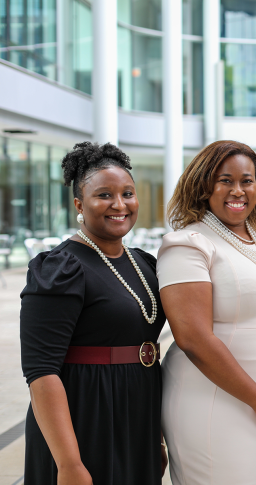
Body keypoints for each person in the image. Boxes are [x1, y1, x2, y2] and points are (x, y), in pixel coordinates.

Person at [157, 141, 256, 484]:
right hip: (214, 404)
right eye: (225, 180)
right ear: (203, 185)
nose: (237, 190)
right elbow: (193, 339)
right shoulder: (187, 244)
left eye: (247, 180)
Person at [20, 141, 167, 484]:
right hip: (84, 416)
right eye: (104, 195)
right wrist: (69, 463)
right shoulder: (60, 268)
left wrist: (155, 438)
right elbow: (41, 371)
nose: (119, 204)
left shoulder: (143, 264)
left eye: (128, 193)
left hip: (136, 412)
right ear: (79, 204)